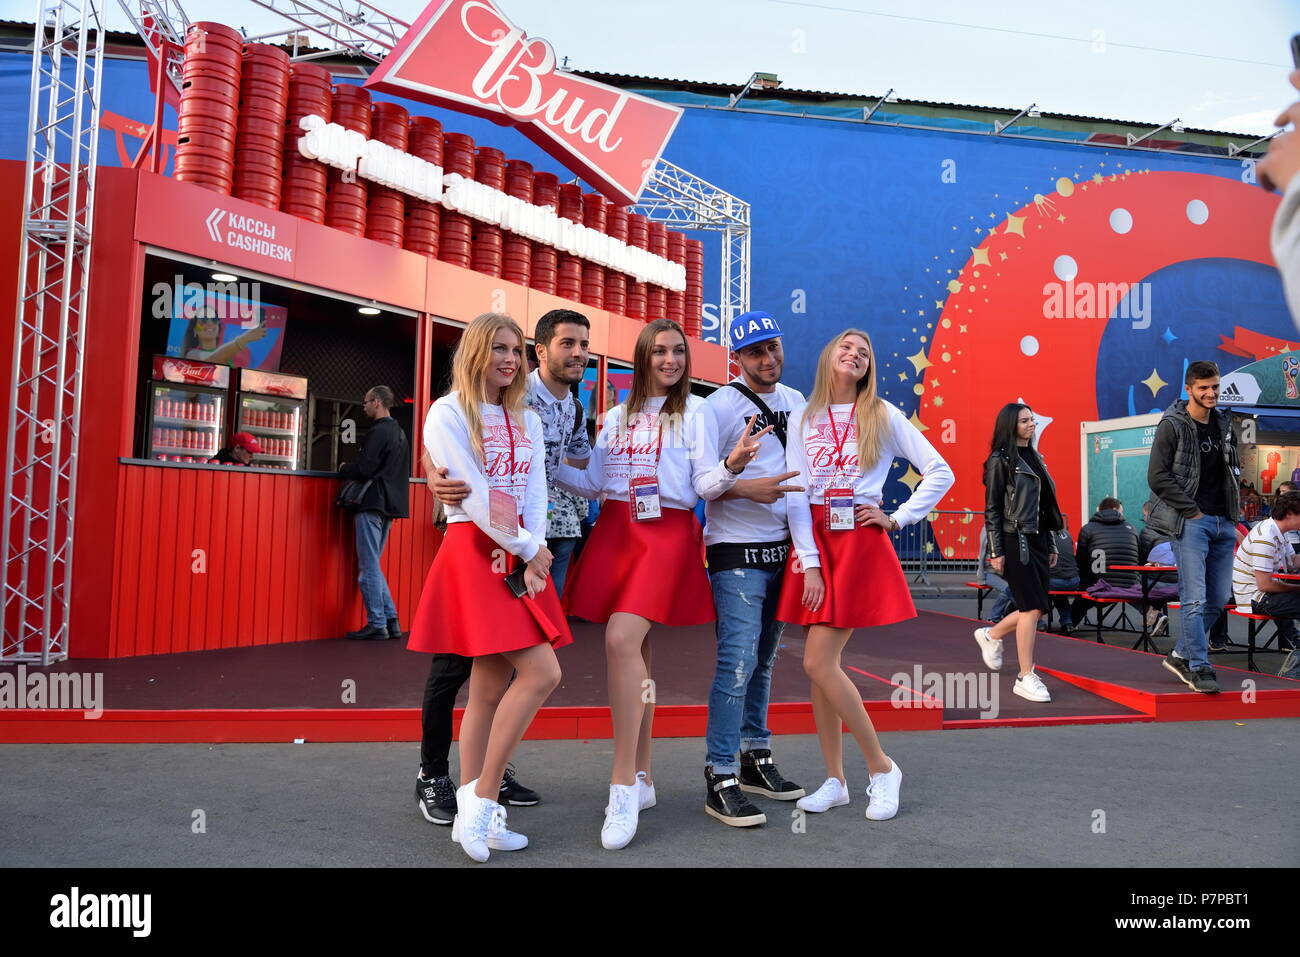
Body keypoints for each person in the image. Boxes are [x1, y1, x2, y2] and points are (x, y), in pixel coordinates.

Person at [552, 317, 770, 849]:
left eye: (677, 352)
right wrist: (544, 460)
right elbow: (594, 482)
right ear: (643, 356)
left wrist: (733, 464)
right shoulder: (616, 414)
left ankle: (621, 784)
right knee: (639, 657)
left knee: (621, 639)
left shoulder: (694, 411)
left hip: (665, 533)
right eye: (659, 352)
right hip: (616, 530)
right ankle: (644, 775)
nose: (670, 361)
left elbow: (703, 484)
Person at [406, 313, 571, 863]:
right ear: (476, 351)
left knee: (486, 685)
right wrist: (529, 548)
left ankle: (479, 815)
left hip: (522, 551)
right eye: (498, 348)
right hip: (475, 551)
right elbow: (473, 495)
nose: (508, 359)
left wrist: (535, 549)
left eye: (515, 350)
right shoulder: (447, 412)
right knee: (542, 671)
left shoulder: (526, 417)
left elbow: (536, 489)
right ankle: (478, 801)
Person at [778, 328, 954, 822]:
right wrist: (808, 562)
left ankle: (881, 767)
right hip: (815, 540)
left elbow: (940, 470)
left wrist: (898, 517)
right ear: (828, 356)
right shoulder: (802, 416)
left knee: (818, 662)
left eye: (863, 351)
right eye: (845, 347)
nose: (853, 354)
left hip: (857, 540)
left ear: (867, 365)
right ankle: (835, 780)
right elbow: (795, 493)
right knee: (819, 670)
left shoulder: (881, 414)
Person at [700, 311, 808, 827]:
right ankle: (718, 774)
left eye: (774, 348)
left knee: (764, 662)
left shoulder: (798, 403)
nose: (769, 360)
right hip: (736, 551)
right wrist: (738, 475)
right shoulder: (714, 407)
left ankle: (754, 757)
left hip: (783, 549)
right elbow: (701, 484)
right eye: (755, 352)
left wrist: (808, 554)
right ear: (736, 359)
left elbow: (806, 481)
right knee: (736, 663)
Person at [1144, 360, 1240, 694]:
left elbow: (1230, 472)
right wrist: (1192, 511)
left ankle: (1181, 653)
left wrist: (1233, 516)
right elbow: (1157, 476)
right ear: (1189, 389)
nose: (1211, 393)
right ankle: (1199, 665)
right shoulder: (1172, 424)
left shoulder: (1224, 422)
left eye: (1215, 386)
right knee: (1195, 598)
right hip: (1191, 522)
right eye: (1204, 388)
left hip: (1223, 522)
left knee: (1219, 597)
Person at [973, 403, 1062, 703]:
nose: (1031, 424)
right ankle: (1025, 675)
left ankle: (992, 635)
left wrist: (1050, 544)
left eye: (1032, 420)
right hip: (1014, 538)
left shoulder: (1036, 457)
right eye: (1024, 421)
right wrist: (996, 549)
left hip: (1037, 540)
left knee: (1034, 606)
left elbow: (1046, 507)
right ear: (1010, 425)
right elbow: (993, 508)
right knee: (1031, 606)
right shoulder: (1000, 460)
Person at [339, 385, 410, 641]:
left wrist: (345, 467)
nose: (364, 406)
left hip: (371, 503)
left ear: (378, 402)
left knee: (368, 567)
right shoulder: (399, 432)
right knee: (374, 566)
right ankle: (391, 620)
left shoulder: (378, 431)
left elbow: (366, 469)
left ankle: (377, 622)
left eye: (366, 402)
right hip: (390, 505)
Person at [1231, 490, 1300, 680]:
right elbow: (1265, 585)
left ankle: (1296, 651)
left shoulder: (1277, 530)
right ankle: (1294, 670)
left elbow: (1293, 561)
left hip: (1264, 594)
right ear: (1290, 514)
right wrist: (1296, 589)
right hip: (1255, 598)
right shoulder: (1265, 537)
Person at [1047, 521, 1080, 634]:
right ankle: (1067, 623)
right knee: (1059, 594)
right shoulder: (1067, 533)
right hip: (1074, 581)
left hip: (1054, 581)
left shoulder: (1042, 534)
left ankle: (1037, 623)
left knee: (1026, 587)